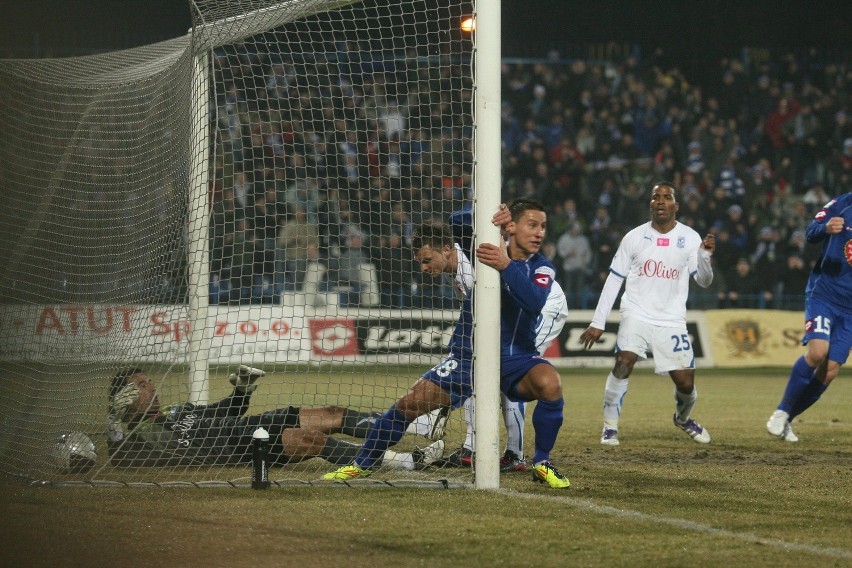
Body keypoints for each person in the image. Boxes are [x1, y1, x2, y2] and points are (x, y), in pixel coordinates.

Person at [580, 181, 716, 446]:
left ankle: (682, 418)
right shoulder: (633, 237)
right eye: (656, 197)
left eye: (667, 197)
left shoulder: (689, 238)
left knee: (686, 384)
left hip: (671, 319)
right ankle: (610, 427)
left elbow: (704, 281)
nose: (661, 201)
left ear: (676, 205)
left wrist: (705, 258)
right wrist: (598, 321)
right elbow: (614, 280)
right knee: (624, 362)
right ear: (650, 204)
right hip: (636, 313)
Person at [107, 366, 446, 470]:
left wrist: (242, 391)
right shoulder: (138, 439)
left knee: (329, 414)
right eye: (141, 386)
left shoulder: (175, 411)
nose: (151, 386)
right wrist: (113, 420)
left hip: (244, 426)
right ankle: (405, 462)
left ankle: (420, 424)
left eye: (148, 381)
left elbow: (223, 412)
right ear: (125, 400)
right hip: (237, 448)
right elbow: (120, 458)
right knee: (312, 441)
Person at [440, 205, 569, 474]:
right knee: (482, 368)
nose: (426, 268)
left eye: (428, 261)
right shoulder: (460, 262)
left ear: (446, 251)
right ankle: (473, 446)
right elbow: (455, 219)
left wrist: (504, 214)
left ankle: (515, 453)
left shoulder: (472, 254)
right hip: (515, 304)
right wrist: (487, 217)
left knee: (510, 366)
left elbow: (531, 296)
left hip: (545, 304)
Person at [475, 199, 571, 488]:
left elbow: (533, 302)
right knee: (419, 404)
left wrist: (506, 267)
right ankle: (375, 454)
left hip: (517, 354)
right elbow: (455, 224)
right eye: (533, 224)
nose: (540, 232)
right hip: (475, 352)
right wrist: (486, 214)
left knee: (550, 383)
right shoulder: (487, 248)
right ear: (511, 226)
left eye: (543, 226)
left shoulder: (542, 267)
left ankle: (539, 461)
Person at [766, 192, 852, 441]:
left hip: (850, 310)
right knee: (817, 352)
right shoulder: (841, 204)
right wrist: (826, 228)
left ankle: (788, 418)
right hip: (824, 295)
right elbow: (811, 232)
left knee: (830, 370)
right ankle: (781, 412)